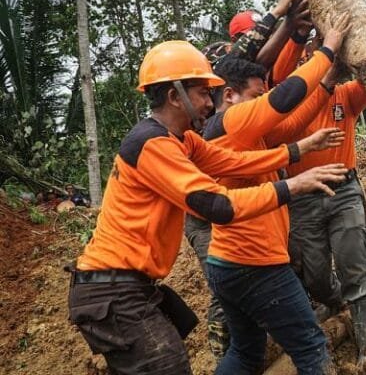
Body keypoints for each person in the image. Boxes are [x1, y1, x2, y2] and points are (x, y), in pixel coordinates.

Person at [66, 40, 348, 375]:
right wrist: (293, 185)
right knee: (169, 368)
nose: (209, 103)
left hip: (125, 287)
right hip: (114, 291)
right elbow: (219, 205)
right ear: (175, 96)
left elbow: (230, 161)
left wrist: (295, 152)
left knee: (240, 352)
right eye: (202, 93)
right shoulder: (152, 145)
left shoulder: (181, 140)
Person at [202, 13, 352, 375]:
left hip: (227, 262)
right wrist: (328, 49)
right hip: (255, 264)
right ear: (229, 95)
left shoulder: (241, 133)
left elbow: (292, 123)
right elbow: (286, 97)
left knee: (246, 353)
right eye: (256, 96)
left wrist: (327, 85)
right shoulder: (232, 122)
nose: (262, 102)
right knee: (312, 347)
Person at [285, 65, 366, 368]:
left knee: (354, 268)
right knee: (313, 275)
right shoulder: (287, 98)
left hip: (344, 193)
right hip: (302, 198)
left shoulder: (347, 95)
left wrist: (350, 55)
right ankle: (335, 301)